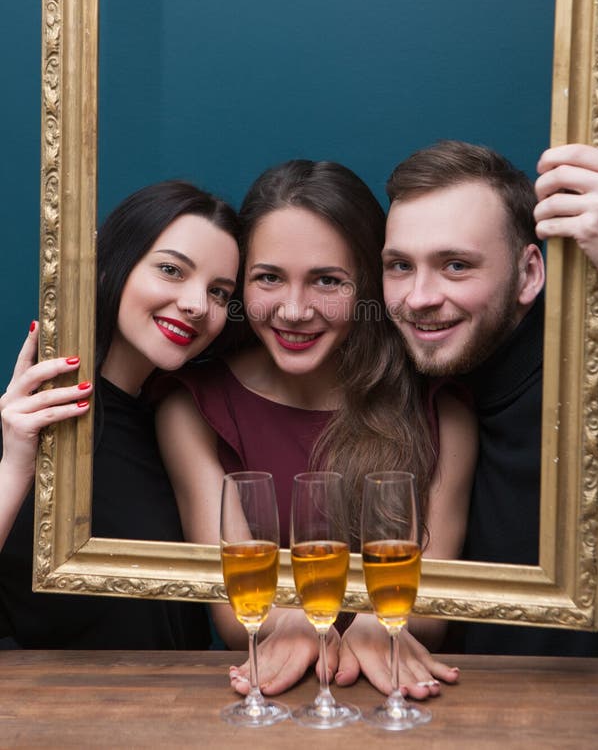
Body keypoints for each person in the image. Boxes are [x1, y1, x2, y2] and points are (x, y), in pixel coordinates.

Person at [156, 159, 474, 698]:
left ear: (369, 285)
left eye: (327, 280)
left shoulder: (441, 408)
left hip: (402, 695)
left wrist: (374, 624)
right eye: (269, 278)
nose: (295, 309)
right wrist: (309, 623)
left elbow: (433, 607)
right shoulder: (192, 409)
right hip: (275, 698)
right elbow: (236, 616)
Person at [370, 138, 598, 658]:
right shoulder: (400, 385)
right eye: (400, 266)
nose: (419, 298)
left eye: (455, 265)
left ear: (529, 274)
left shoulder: (583, 383)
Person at [0, 180, 239, 649]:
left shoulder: (186, 428)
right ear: (109, 268)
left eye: (219, 292)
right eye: (171, 270)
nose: (196, 305)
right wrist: (13, 464)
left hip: (172, 710)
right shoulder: (25, 422)